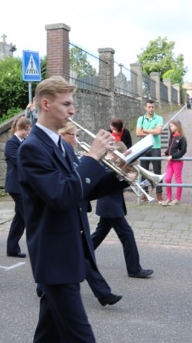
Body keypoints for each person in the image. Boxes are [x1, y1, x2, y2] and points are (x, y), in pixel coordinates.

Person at [17, 76, 128, 342]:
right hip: (54, 255)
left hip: (68, 250)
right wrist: (92, 157)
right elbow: (61, 195)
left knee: (48, 332)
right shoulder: (32, 148)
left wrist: (120, 174)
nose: (72, 110)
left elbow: (81, 191)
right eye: (66, 104)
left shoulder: (60, 145)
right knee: (81, 336)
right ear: (46, 104)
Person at [58, 124, 123, 307]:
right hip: (66, 212)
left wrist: (119, 175)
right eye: (74, 135)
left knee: (75, 254)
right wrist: (92, 156)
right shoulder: (58, 150)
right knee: (81, 255)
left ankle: (44, 286)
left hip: (76, 210)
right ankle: (103, 293)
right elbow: (70, 185)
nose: (76, 139)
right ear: (64, 134)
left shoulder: (69, 150)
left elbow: (88, 186)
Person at [91, 141, 154, 279]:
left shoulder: (114, 164)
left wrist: (130, 172)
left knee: (99, 234)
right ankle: (134, 269)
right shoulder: (106, 163)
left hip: (112, 205)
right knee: (127, 234)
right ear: (116, 154)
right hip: (109, 205)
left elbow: (121, 183)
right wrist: (123, 167)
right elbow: (106, 182)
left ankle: (81, 255)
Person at [4, 116, 32, 258]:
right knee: (29, 216)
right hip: (15, 185)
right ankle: (38, 247)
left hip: (22, 185)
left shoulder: (23, 141)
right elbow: (19, 162)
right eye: (27, 130)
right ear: (20, 129)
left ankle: (12, 248)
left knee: (20, 218)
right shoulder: (11, 143)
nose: (28, 133)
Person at [136, 99, 164, 202]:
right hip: (144, 148)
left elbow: (158, 131)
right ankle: (145, 193)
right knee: (144, 172)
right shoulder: (141, 119)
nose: (151, 109)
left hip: (155, 147)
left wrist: (144, 130)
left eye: (152, 107)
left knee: (157, 171)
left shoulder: (159, 118)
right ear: (145, 108)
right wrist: (152, 132)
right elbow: (137, 133)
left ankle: (159, 193)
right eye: (149, 107)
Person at [161, 119, 187, 206]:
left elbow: (183, 150)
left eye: (172, 126)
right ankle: (168, 198)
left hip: (177, 162)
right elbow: (170, 148)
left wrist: (172, 156)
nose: (170, 127)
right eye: (170, 126)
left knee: (177, 179)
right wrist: (165, 153)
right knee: (167, 179)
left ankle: (177, 199)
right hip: (170, 162)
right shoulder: (172, 136)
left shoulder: (182, 138)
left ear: (177, 126)